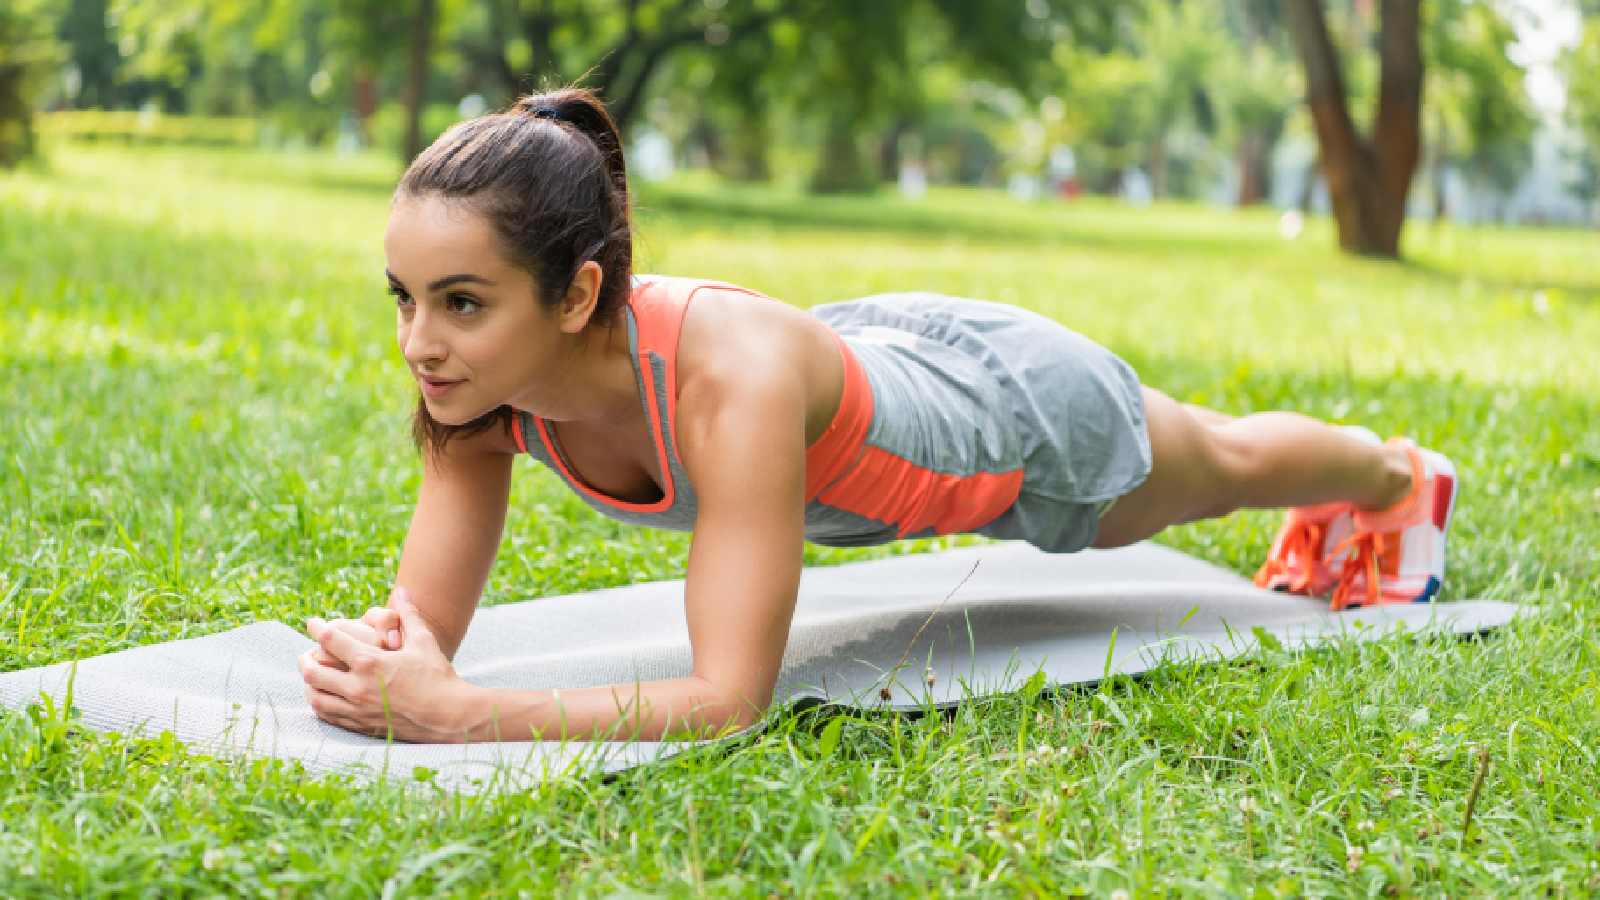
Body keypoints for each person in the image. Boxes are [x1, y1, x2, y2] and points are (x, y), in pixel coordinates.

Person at [297, 88, 1459, 744]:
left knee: (1216, 457)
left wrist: (459, 715)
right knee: (1214, 453)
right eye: (403, 298)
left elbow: (725, 699)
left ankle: (1391, 479)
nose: (419, 343)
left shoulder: (726, 387)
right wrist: (396, 660)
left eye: (460, 302)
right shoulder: (477, 391)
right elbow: (424, 625)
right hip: (859, 351)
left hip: (1004, 419)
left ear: (577, 295)